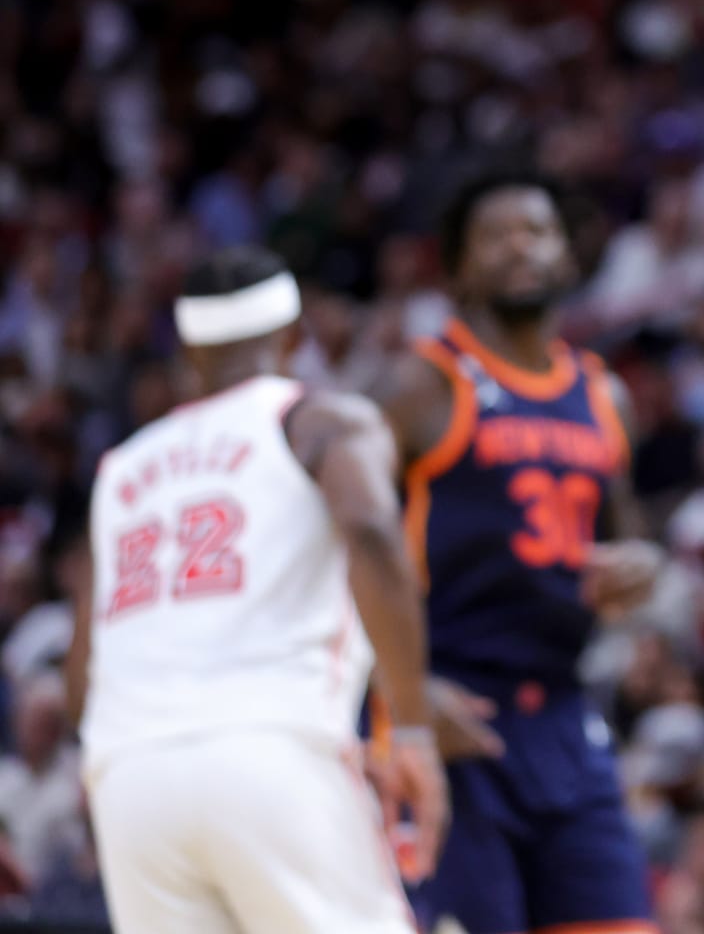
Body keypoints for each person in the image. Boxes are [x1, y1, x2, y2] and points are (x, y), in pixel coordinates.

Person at [65, 246, 444, 934]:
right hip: (269, 744)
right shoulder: (322, 419)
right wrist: (412, 729)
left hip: (128, 773)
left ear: (190, 352)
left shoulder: (121, 468)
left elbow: (81, 666)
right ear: (294, 335)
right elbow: (371, 531)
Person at [376, 167, 661, 934]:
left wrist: (643, 565)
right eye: (494, 236)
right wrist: (401, 693)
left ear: (566, 252)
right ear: (460, 269)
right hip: (452, 707)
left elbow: (626, 536)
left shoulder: (604, 394)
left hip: (564, 712)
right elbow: (342, 544)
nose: (518, 247)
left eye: (535, 230)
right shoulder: (421, 384)